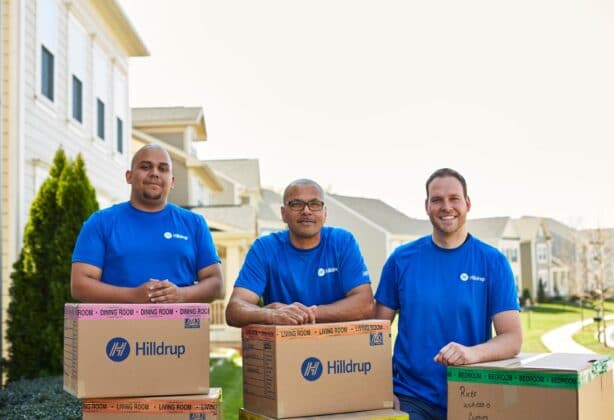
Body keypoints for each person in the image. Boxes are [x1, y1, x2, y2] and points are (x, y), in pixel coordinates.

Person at [374, 168, 522, 420]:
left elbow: (512, 338)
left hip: (472, 395)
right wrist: (381, 389)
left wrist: (472, 353)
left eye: (454, 198)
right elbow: (374, 332)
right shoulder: (401, 260)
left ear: (467, 203)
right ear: (426, 206)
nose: (446, 206)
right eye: (437, 200)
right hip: (410, 398)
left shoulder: (492, 262)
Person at [71, 143, 223, 303]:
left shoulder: (194, 224)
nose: (154, 173)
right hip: (116, 326)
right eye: (145, 167)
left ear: (172, 181)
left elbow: (216, 284)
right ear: (129, 176)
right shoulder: (101, 222)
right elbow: (80, 285)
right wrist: (133, 296)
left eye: (163, 169)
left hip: (179, 326)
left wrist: (181, 294)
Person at [225, 179, 373, 326]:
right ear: (283, 214)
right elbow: (234, 310)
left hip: (337, 344)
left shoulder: (342, 242)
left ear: (324, 213)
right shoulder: (264, 248)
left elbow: (365, 304)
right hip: (286, 346)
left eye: (315, 204)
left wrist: (300, 314)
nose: (306, 211)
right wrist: (271, 314)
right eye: (297, 204)